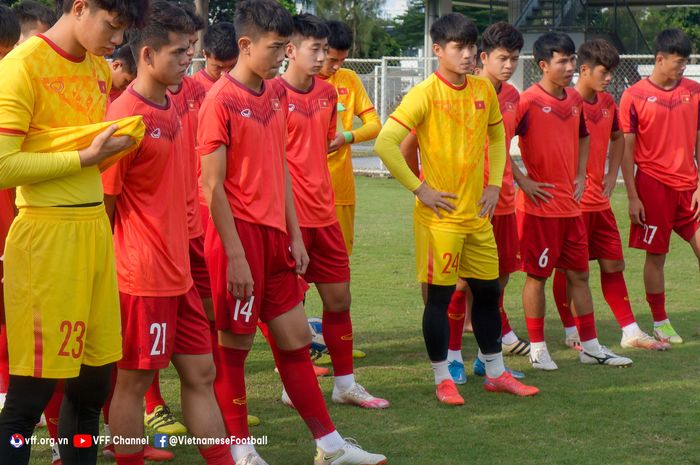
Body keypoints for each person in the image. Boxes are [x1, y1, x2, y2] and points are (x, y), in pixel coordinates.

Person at [198, 1, 387, 464]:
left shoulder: (276, 94)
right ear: (245, 45)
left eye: (286, 46)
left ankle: (331, 446)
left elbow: (279, 166)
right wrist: (237, 255)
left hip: (277, 237)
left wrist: (295, 234)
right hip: (236, 240)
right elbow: (210, 185)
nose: (283, 55)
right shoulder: (220, 99)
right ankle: (241, 451)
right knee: (235, 346)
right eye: (276, 47)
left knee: (295, 339)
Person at [0, 0, 145, 463]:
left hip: (94, 232)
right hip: (46, 238)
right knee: (29, 398)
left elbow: (85, 150)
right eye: (112, 25)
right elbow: (3, 165)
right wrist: (83, 158)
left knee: (93, 387)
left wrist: (109, 151)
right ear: (80, 7)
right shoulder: (20, 66)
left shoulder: (100, 70)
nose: (118, 40)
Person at [375, 12, 540, 405]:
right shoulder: (424, 93)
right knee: (441, 299)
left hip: (477, 217)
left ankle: (496, 373)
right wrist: (421, 190)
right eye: (458, 48)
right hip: (440, 219)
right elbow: (385, 143)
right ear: (438, 50)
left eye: (471, 48)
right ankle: (442, 378)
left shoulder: (483, 90)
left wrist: (495, 184)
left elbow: (498, 136)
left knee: (486, 295)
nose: (467, 55)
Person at [102, 3, 233, 465]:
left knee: (201, 372)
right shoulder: (124, 117)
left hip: (180, 273)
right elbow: (105, 208)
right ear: (147, 55)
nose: (189, 59)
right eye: (179, 51)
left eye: (192, 49)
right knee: (133, 381)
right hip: (143, 277)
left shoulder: (176, 102)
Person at [277, 12, 389, 411]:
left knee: (340, 299)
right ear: (290, 50)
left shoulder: (328, 95)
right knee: (290, 307)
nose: (325, 58)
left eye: (327, 50)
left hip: (326, 214)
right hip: (288, 218)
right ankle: (294, 384)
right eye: (317, 49)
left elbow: (326, 145)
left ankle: (345, 383)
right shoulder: (271, 94)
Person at [514, 32, 632, 371]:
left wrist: (581, 174)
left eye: (570, 60)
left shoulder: (575, 101)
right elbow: (495, 141)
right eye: (562, 61)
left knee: (580, 275)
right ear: (543, 65)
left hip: (571, 208)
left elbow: (583, 137)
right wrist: (523, 181)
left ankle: (591, 346)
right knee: (537, 277)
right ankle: (538, 348)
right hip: (540, 209)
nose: (569, 67)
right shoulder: (528, 101)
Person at [551, 38, 668, 352]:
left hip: (599, 203)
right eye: (604, 72)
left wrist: (611, 173)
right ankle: (571, 330)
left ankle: (630, 331)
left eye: (611, 72)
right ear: (585, 69)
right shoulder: (565, 103)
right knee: (570, 270)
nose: (609, 78)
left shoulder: (606, 104)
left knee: (614, 265)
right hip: (571, 204)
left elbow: (618, 138)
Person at [619, 28, 700, 345]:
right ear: (659, 59)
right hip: (653, 187)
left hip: (689, 187)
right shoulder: (634, 96)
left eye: (686, 63)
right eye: (678, 62)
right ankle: (660, 322)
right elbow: (627, 148)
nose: (682, 68)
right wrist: (632, 195)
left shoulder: (694, 92)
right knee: (657, 256)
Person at [320, 20, 381, 256]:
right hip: (301, 194)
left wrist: (346, 137)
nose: (337, 67)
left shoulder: (349, 79)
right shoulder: (297, 83)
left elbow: (375, 124)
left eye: (342, 61)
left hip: (341, 189)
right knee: (295, 274)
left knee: (339, 264)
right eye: (332, 60)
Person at [194, 21, 239, 94]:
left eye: (232, 66)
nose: (225, 74)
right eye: (218, 67)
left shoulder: (249, 85)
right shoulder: (191, 88)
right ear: (205, 54)